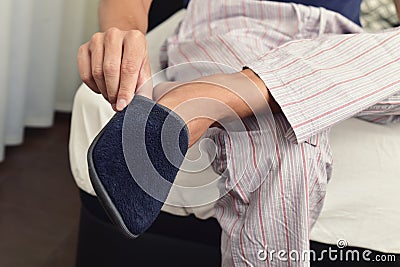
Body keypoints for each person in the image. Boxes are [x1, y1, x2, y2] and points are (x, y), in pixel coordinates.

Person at [76, 0, 400, 266]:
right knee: (287, 148)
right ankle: (257, 91)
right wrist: (124, 36)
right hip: (236, 22)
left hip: (346, 45)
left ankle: (222, 94)